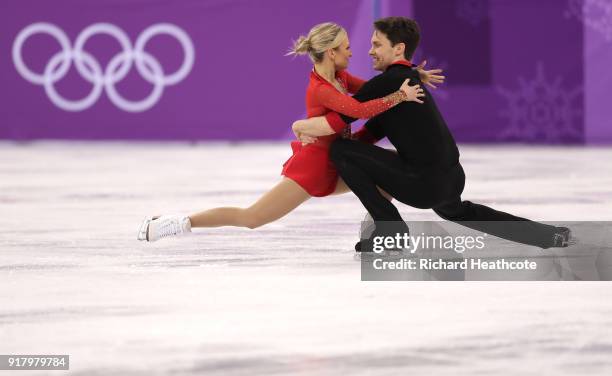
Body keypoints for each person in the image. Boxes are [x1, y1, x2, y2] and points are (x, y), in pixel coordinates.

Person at [137, 22, 444, 242]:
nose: (354, 53)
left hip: (338, 161)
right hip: (313, 167)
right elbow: (361, 110)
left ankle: (380, 227)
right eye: (347, 49)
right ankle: (176, 222)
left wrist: (410, 73)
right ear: (331, 52)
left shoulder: (340, 76)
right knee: (251, 218)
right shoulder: (321, 88)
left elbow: (371, 89)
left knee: (388, 176)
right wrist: (400, 96)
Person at [291, 17, 572, 251]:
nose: (369, 51)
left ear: (398, 48)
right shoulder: (407, 80)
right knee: (459, 211)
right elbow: (377, 128)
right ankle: (548, 235)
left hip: (423, 183)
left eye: (377, 44)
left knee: (339, 150)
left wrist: (302, 127)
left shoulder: (387, 83)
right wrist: (359, 146)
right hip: (451, 178)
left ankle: (391, 230)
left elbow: (340, 120)